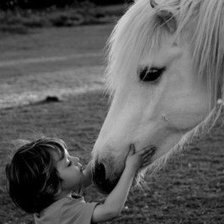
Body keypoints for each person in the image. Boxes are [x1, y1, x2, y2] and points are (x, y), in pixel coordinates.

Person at [5, 137, 155, 224]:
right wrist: (130, 168)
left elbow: (86, 176)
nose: (76, 159)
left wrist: (106, 150)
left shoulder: (56, 196)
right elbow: (110, 210)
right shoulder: (62, 213)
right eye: (68, 163)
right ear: (52, 187)